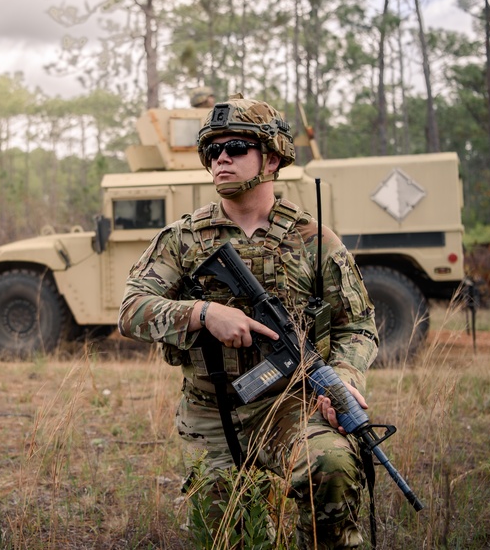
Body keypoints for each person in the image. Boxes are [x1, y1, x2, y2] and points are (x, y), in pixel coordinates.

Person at [118, 94, 378, 549]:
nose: (221, 158)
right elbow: (131, 310)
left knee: (332, 466)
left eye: (236, 147)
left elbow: (356, 325)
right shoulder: (182, 239)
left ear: (272, 157)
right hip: (213, 413)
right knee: (228, 537)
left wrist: (345, 379)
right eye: (212, 150)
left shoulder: (314, 240)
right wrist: (202, 313)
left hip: (291, 407)